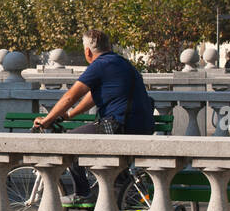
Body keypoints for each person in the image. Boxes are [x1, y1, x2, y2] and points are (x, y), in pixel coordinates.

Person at [32, 29, 154, 198]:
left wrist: (47, 120)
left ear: (87, 51)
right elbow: (93, 97)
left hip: (118, 127)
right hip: (141, 126)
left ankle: (82, 193)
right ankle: (121, 191)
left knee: (68, 143)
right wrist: (68, 116)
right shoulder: (121, 63)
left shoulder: (100, 64)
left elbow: (70, 96)